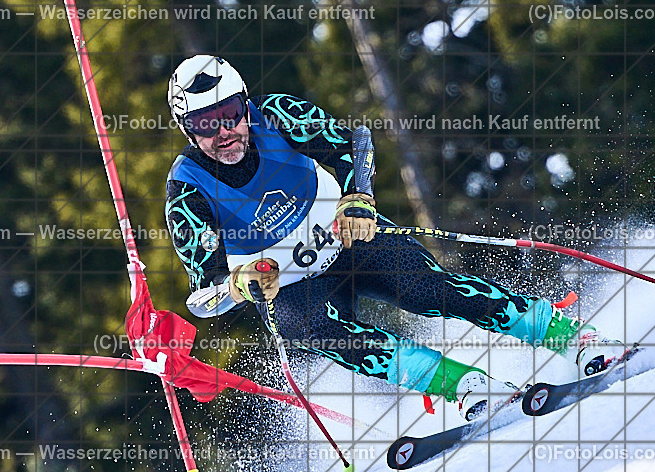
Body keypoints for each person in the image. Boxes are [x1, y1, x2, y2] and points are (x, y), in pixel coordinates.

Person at [164, 55, 629, 420]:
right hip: (292, 286)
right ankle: (462, 385)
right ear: (188, 128)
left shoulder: (278, 116)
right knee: (308, 328)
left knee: (427, 289)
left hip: (349, 239)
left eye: (229, 114)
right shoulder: (187, 188)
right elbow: (203, 297)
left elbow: (354, 141)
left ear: (245, 104)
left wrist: (357, 199)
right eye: (206, 123)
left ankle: (573, 337)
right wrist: (238, 283)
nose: (224, 132)